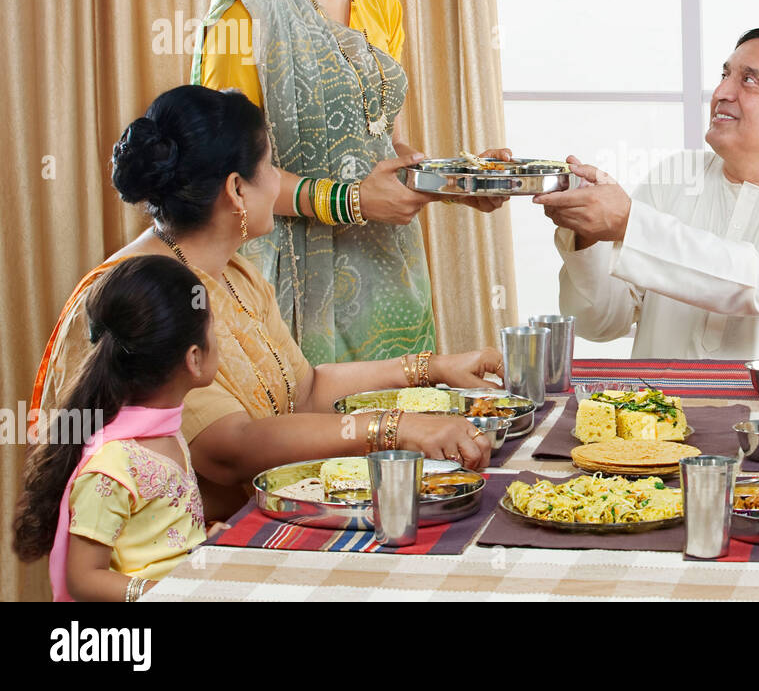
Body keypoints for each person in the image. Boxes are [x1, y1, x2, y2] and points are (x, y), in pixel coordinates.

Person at [31, 86, 497, 521]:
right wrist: (394, 427)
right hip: (169, 562)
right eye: (271, 167)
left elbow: (306, 389)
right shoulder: (143, 291)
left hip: (252, 522)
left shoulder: (235, 272)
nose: (278, 183)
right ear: (236, 190)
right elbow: (228, 449)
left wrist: (432, 369)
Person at [191, 0, 504, 366]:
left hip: (388, 279)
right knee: (309, 449)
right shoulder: (246, 11)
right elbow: (223, 181)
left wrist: (460, 178)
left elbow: (388, 152)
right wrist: (352, 201)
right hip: (287, 285)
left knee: (402, 441)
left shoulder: (379, 4)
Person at [537, 27, 759, 361]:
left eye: (749, 80)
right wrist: (587, 233)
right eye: (725, 75)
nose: (722, 91)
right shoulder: (674, 177)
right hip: (661, 411)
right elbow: (601, 323)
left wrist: (627, 222)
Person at [14, 257, 215, 601]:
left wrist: (205, 544)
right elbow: (82, 579)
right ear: (193, 358)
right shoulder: (113, 466)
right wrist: (164, 594)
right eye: (214, 330)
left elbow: (160, 537)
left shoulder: (166, 432)